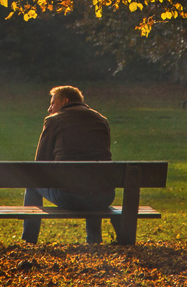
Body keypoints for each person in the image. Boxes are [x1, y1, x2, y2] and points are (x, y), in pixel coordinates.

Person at [21, 85, 118, 244]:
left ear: (65, 101)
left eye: (52, 103)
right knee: (94, 180)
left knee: (32, 182)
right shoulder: (102, 120)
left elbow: (39, 164)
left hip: (71, 197)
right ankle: (94, 240)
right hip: (104, 197)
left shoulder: (54, 121)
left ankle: (29, 240)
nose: (49, 108)